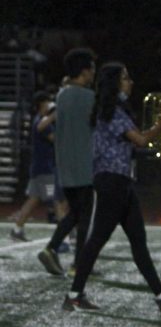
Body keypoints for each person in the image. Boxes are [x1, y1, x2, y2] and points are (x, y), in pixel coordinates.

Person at [63, 63, 161, 312]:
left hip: (121, 181)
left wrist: (158, 128)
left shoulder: (113, 110)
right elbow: (140, 140)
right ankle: (74, 295)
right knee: (98, 238)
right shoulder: (111, 112)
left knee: (138, 240)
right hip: (112, 181)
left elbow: (135, 139)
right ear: (115, 83)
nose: (130, 82)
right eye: (126, 78)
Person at [40, 48, 96, 277]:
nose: (93, 73)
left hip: (65, 164)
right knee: (84, 217)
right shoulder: (89, 97)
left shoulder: (61, 96)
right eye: (91, 69)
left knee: (75, 213)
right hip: (85, 163)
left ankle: (52, 248)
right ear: (84, 71)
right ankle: (78, 263)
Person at [10, 91, 65, 241]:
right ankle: (64, 238)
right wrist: (56, 116)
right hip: (45, 170)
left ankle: (17, 229)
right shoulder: (41, 121)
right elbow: (51, 136)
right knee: (57, 200)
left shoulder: (42, 119)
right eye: (47, 101)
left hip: (39, 169)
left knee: (33, 200)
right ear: (42, 104)